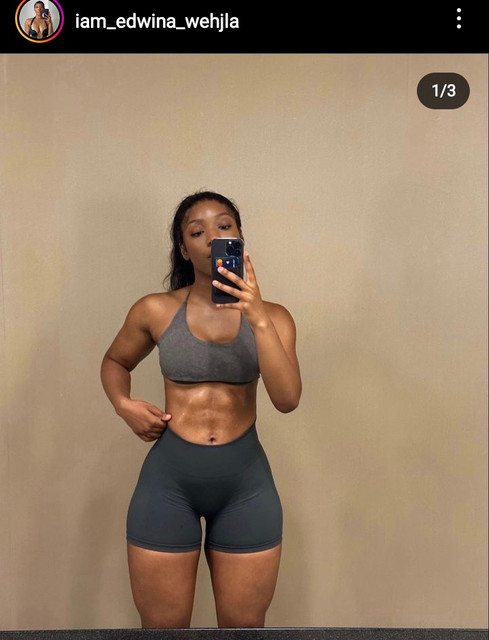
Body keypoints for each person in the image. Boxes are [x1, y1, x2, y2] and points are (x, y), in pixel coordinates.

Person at [100, 191, 301, 629]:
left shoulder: (275, 318)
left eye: (224, 226)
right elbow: (115, 362)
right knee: (163, 631)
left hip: (246, 485)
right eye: (197, 231)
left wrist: (257, 317)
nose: (212, 237)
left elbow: (287, 400)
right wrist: (123, 405)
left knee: (244, 631)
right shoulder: (155, 310)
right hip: (169, 482)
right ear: (184, 248)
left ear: (239, 237)